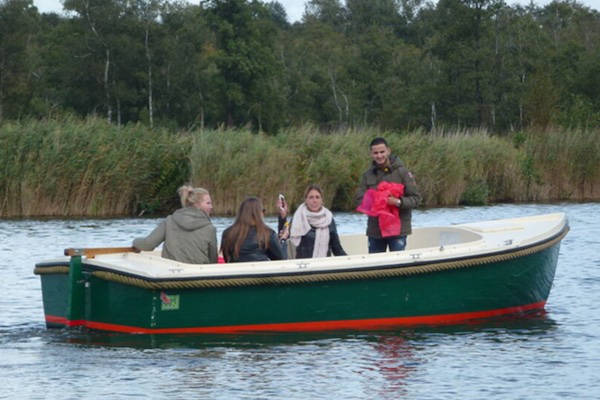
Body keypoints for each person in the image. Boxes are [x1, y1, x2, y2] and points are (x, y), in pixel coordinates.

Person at [355, 137, 422, 253]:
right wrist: (375, 202)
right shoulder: (367, 175)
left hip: (398, 231)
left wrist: (398, 202)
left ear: (388, 151)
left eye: (382, 152)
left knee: (398, 267)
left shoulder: (403, 173)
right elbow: (359, 200)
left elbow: (416, 199)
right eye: (375, 153)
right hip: (375, 230)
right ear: (371, 154)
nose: (379, 156)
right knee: (375, 267)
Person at [132, 185, 218, 264]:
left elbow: (148, 245)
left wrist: (135, 242)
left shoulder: (169, 221)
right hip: (198, 275)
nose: (211, 207)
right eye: (208, 203)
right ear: (196, 204)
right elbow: (213, 261)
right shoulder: (210, 228)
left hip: (170, 273)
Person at [278, 185, 347, 259]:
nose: (314, 200)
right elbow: (282, 237)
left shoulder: (328, 219)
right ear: (306, 200)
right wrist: (282, 217)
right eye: (311, 197)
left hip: (324, 265)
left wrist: (349, 260)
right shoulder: (298, 218)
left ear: (321, 200)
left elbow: (337, 248)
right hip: (303, 265)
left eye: (317, 197)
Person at [221, 197, 286, 263]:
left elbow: (227, 258)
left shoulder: (227, 233)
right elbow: (280, 259)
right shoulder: (267, 234)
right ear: (259, 213)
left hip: (236, 272)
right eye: (263, 211)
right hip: (261, 271)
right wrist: (283, 240)